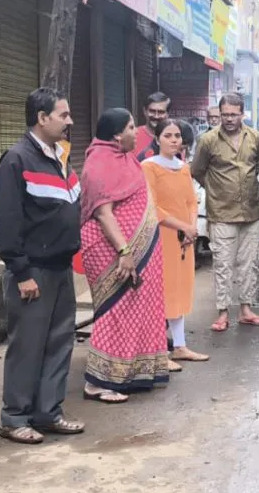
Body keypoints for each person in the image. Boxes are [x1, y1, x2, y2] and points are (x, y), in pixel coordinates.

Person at [0, 87, 84, 444]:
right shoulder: (16, 160)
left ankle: (48, 413)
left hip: (61, 269)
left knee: (59, 343)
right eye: (63, 115)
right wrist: (21, 272)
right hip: (33, 271)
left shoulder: (59, 158)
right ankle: (14, 417)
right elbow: (10, 223)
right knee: (28, 346)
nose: (70, 121)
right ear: (42, 118)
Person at [80, 108, 170, 403]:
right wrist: (125, 251)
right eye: (132, 127)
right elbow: (104, 215)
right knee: (115, 311)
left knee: (137, 308)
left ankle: (130, 372)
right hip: (112, 249)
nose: (137, 132)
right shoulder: (99, 164)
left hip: (134, 250)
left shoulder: (126, 158)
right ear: (117, 134)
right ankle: (98, 382)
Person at [191, 93, 259, 332]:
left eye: (233, 115)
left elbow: (258, 169)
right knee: (223, 264)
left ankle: (246, 309)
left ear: (242, 114)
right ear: (219, 113)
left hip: (250, 212)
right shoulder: (208, 140)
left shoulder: (255, 138)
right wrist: (215, 190)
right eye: (224, 114)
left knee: (249, 263)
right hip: (222, 212)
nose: (228, 119)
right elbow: (197, 171)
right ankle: (223, 312)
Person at [142, 119, 209, 364]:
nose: (174, 140)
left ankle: (179, 345)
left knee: (180, 289)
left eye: (177, 136)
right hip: (162, 237)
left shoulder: (182, 167)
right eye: (168, 135)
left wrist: (191, 228)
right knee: (162, 290)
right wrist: (182, 226)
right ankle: (159, 350)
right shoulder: (148, 167)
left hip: (184, 238)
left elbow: (192, 201)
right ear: (157, 139)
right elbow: (152, 206)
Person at [134, 92, 171, 161]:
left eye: (160, 112)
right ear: (145, 111)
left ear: (167, 114)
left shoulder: (174, 138)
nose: (156, 116)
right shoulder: (133, 136)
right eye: (152, 111)